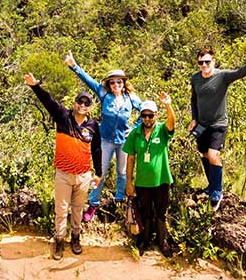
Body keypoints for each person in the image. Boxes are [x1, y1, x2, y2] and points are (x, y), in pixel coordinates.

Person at [24, 72, 102, 259]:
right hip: (64, 174)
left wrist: (98, 173)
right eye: (80, 102)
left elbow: (97, 150)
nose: (82, 106)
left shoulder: (93, 126)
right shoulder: (63, 117)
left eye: (86, 103)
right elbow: (48, 101)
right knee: (61, 209)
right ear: (74, 104)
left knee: (77, 209)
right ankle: (59, 240)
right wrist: (35, 86)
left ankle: (75, 237)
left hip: (83, 175)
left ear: (90, 107)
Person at [64, 51, 143, 221]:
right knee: (100, 171)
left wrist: (135, 128)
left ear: (124, 83)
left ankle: (121, 199)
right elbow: (88, 80)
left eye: (119, 81)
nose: (116, 84)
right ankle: (93, 203)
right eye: (112, 82)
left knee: (122, 173)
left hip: (124, 141)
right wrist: (74, 66)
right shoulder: (104, 94)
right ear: (109, 84)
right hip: (105, 140)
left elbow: (145, 110)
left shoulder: (131, 98)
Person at [187, 47, 246, 210]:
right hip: (202, 124)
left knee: (213, 155)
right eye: (201, 62)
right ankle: (211, 185)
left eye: (207, 61)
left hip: (218, 124)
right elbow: (194, 100)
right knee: (205, 155)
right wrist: (194, 119)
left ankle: (217, 192)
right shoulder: (195, 79)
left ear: (213, 60)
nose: (204, 65)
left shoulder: (222, 76)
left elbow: (238, 73)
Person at [124, 92, 175, 256]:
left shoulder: (161, 130)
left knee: (161, 212)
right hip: (142, 181)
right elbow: (130, 158)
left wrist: (168, 105)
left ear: (155, 115)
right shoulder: (135, 133)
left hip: (161, 180)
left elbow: (171, 123)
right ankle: (144, 242)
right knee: (145, 212)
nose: (147, 119)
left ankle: (162, 242)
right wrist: (129, 182)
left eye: (150, 115)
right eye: (144, 115)